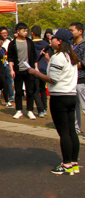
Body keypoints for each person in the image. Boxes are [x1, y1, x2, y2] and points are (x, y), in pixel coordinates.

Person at [29, 29, 79, 175]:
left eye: (54, 38)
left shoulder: (58, 57)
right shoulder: (71, 56)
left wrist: (36, 72)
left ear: (60, 41)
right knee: (71, 130)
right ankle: (74, 163)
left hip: (59, 97)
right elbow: (61, 73)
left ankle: (66, 164)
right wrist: (48, 61)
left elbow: (53, 79)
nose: (51, 40)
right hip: (71, 95)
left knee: (64, 132)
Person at [8, 23, 44, 120]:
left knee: (30, 91)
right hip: (18, 70)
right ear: (18, 31)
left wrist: (36, 68)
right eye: (23, 30)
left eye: (26, 30)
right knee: (18, 91)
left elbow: (34, 57)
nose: (25, 32)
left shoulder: (29, 42)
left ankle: (30, 110)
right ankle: (19, 110)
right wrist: (11, 70)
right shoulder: (13, 43)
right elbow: (10, 58)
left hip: (29, 70)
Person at [69, 22, 85, 135]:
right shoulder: (71, 45)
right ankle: (76, 129)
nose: (70, 32)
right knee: (74, 108)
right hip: (72, 80)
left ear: (80, 31)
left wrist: (70, 64)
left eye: (72, 30)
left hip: (82, 80)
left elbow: (82, 64)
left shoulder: (84, 45)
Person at [31, 25, 50, 118]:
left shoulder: (30, 44)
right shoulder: (46, 44)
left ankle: (40, 109)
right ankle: (45, 108)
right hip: (44, 69)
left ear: (32, 33)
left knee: (35, 90)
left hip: (35, 69)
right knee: (43, 89)